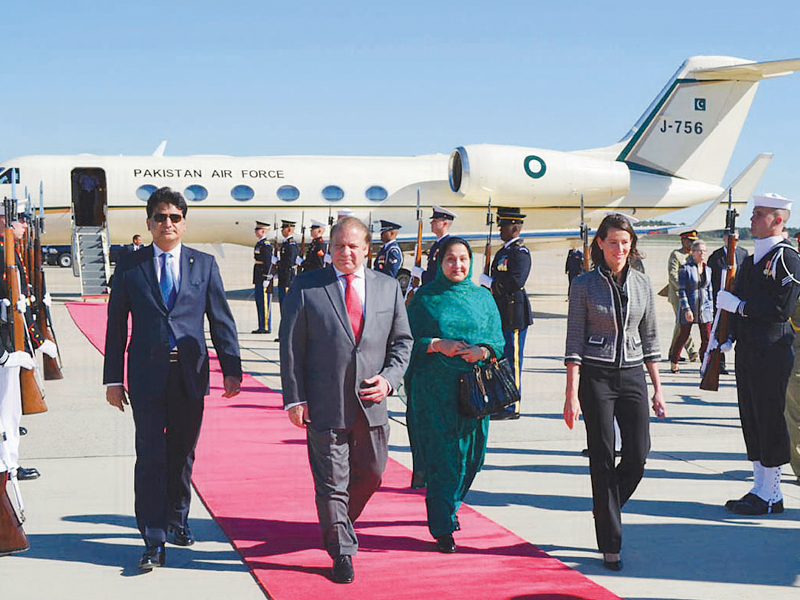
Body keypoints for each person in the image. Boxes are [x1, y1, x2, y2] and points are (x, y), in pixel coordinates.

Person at [103, 187, 242, 571]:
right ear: (149, 224)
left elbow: (221, 320)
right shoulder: (131, 266)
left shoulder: (204, 264)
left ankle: (177, 520)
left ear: (184, 222)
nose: (168, 224)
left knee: (182, 453)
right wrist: (113, 379)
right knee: (149, 456)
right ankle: (153, 538)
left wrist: (232, 368)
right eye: (160, 217)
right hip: (146, 376)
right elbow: (116, 327)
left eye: (175, 217)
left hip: (189, 374)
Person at [279, 216, 412, 584]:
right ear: (329, 249)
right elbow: (291, 347)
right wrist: (294, 398)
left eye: (353, 246)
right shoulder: (307, 287)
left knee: (372, 473)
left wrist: (389, 380)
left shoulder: (388, 288)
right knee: (331, 484)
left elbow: (403, 342)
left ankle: (337, 520)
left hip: (372, 404)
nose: (346, 252)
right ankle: (341, 551)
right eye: (339, 246)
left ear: (367, 249)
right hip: (324, 403)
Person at [564, 213, 666, 571]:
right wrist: (570, 394)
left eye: (625, 243)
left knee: (638, 454)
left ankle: (604, 510)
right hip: (596, 376)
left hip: (633, 374)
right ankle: (611, 541)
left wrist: (657, 388)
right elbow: (574, 341)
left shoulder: (642, 283)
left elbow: (651, 337)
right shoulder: (583, 284)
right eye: (613, 243)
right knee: (602, 455)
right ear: (600, 245)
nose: (619, 249)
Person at [405, 237, 504, 553]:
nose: (458, 265)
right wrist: (436, 344)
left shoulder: (483, 298)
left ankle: (451, 506)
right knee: (442, 460)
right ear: (439, 262)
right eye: (450, 259)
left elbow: (499, 342)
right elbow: (407, 343)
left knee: (472, 457)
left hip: (474, 392)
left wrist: (483, 350)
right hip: (434, 394)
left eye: (463, 259)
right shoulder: (425, 298)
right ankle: (443, 525)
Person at [716, 193, 800, 515]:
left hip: (772, 350)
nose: (753, 219)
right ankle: (760, 488)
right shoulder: (751, 261)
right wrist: (727, 336)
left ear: (778, 220)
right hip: (749, 350)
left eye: (760, 214)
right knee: (750, 419)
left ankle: (773, 494)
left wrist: (739, 307)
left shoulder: (786, 259)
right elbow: (740, 306)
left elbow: (780, 310)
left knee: (770, 419)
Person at [486, 207, 533, 420]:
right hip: (501, 313)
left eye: (503, 226)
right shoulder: (502, 252)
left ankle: (512, 406)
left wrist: (492, 283)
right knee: (500, 360)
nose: (500, 230)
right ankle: (500, 401)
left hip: (514, 314)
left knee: (513, 361)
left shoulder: (520, 252)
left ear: (515, 227)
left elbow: (516, 281)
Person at [669, 240, 713, 373]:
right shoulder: (685, 269)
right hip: (689, 306)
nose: (702, 253)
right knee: (683, 335)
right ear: (693, 253)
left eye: (704, 251)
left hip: (704, 308)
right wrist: (686, 309)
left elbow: (709, 289)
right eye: (699, 251)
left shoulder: (708, 269)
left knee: (707, 337)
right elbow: (681, 291)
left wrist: (711, 308)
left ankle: (704, 363)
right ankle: (674, 361)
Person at [707, 231, 748, 374]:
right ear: (724, 239)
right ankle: (719, 364)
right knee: (721, 330)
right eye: (731, 239)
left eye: (736, 239)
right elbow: (710, 279)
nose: (734, 242)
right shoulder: (716, 256)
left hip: (738, 299)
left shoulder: (743, 253)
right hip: (721, 297)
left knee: (736, 328)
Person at [667, 230, 700, 363]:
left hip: (691, 294)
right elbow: (672, 274)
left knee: (681, 323)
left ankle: (673, 352)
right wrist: (683, 288)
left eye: (694, 241)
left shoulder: (693, 256)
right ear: (683, 240)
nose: (692, 244)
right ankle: (691, 351)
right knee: (683, 322)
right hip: (677, 293)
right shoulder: (676, 255)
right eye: (690, 241)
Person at [419, 205, 457, 286]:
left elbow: (439, 275)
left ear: (445, 223)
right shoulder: (437, 244)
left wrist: (421, 274)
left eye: (435, 221)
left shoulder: (447, 245)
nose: (431, 223)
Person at [251, 221, 272, 334]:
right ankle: (261, 325)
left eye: (257, 229)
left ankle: (266, 326)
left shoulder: (266, 245)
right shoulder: (259, 244)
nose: (255, 231)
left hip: (263, 276)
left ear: (263, 231)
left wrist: (267, 278)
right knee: (259, 302)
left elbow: (267, 262)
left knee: (264, 303)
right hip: (258, 275)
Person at [275, 219, 298, 308]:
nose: (281, 230)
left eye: (283, 228)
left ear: (289, 230)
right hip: (283, 276)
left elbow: (289, 262)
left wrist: (277, 262)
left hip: (287, 278)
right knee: (282, 303)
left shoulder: (291, 244)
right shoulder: (286, 243)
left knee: (286, 304)